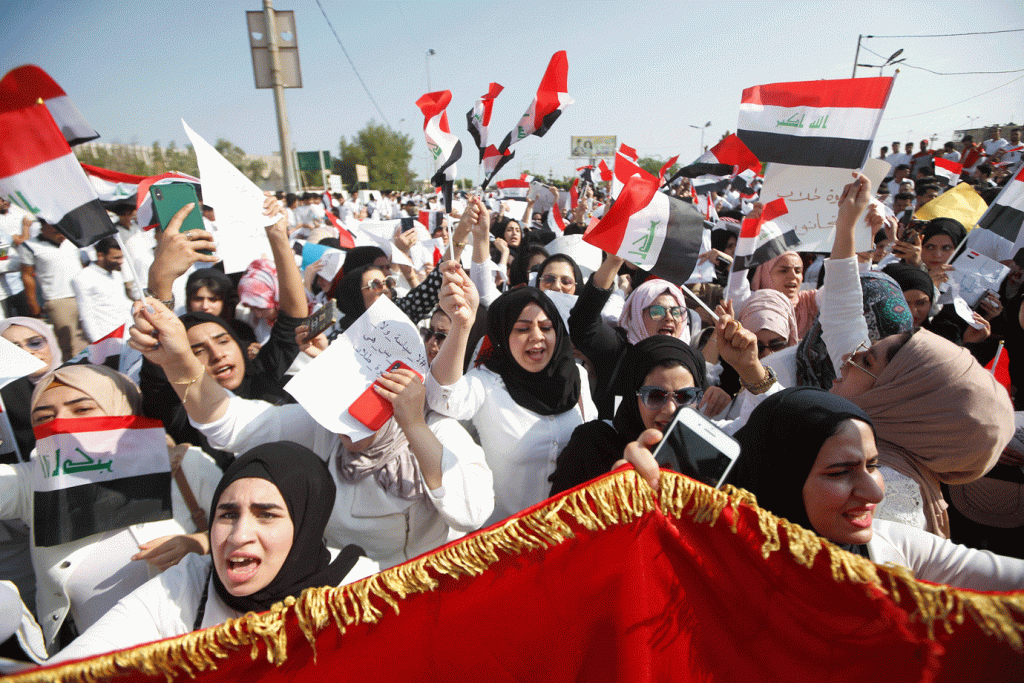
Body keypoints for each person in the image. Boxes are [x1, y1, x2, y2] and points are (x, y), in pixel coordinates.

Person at [128, 297, 494, 569]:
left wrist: (414, 427)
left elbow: (470, 513)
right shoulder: (321, 429)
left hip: (420, 592)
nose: (340, 428)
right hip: (341, 597)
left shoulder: (438, 431)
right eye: (331, 407)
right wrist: (178, 360)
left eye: (355, 413)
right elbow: (228, 423)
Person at [623, 387, 1024, 590]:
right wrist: (630, 523)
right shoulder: (719, 572)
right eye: (839, 472)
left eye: (873, 465)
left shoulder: (892, 549)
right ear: (783, 481)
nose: (874, 492)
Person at [49, 442, 378, 663]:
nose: (239, 535)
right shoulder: (189, 582)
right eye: (228, 514)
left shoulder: (365, 592)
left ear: (307, 525)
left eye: (267, 514)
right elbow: (84, 664)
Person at [1, 365, 221, 657]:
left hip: (188, 657)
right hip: (90, 666)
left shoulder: (185, 465)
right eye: (44, 417)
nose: (61, 423)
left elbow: (245, 530)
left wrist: (199, 543)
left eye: (81, 409)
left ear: (122, 409)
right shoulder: (34, 482)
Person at [426, 265, 596, 526]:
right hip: (505, 542)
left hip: (567, 537)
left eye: (546, 326)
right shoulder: (487, 384)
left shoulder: (577, 378)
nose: (537, 337)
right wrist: (462, 324)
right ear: (503, 337)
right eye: (522, 329)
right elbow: (441, 397)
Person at [549, 336, 707, 495]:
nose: (670, 409)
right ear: (633, 395)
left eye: (685, 397)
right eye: (655, 396)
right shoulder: (591, 445)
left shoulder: (706, 456)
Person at [18, 220, 86, 359]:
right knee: (69, 345)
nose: (61, 232)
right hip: (58, 301)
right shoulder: (29, 246)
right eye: (55, 229)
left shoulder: (73, 241)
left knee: (91, 339)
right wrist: (33, 304)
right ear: (43, 226)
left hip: (85, 296)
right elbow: (27, 276)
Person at [0, 318, 62, 460]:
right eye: (13, 349)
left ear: (51, 342)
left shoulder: (81, 379)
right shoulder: (4, 396)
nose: (27, 352)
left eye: (35, 343)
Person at [70, 237, 133, 343]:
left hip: (128, 333)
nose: (121, 261)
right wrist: (98, 342)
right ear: (100, 256)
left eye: (122, 257)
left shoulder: (116, 274)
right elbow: (86, 315)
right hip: (108, 337)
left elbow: (123, 301)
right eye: (116, 258)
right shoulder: (83, 278)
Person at [750, 251, 818, 338]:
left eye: (798, 271)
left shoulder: (809, 301)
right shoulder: (751, 307)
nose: (793, 276)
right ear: (765, 275)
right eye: (783, 271)